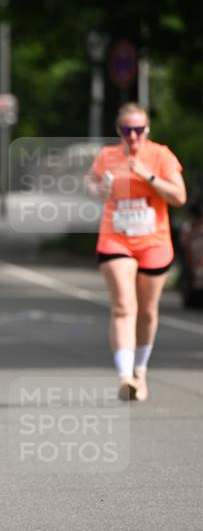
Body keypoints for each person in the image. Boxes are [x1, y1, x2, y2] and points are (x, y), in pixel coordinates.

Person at [86, 102, 186, 401]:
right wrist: (96, 189)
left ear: (147, 130)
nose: (133, 136)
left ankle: (140, 372)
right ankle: (125, 376)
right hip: (116, 239)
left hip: (154, 242)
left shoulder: (161, 155)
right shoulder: (108, 156)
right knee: (123, 306)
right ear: (119, 130)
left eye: (139, 130)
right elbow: (90, 182)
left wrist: (147, 175)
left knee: (147, 311)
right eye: (127, 130)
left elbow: (179, 196)